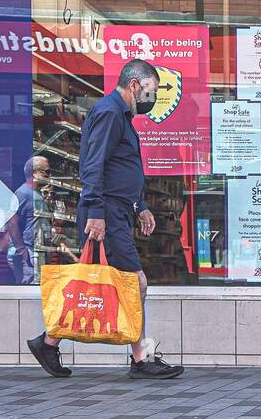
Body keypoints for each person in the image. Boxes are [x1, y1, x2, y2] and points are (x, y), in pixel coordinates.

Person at [26, 59, 183, 379]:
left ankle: (49, 341)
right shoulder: (110, 113)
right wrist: (97, 212)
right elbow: (93, 165)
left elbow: (119, 167)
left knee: (110, 282)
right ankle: (140, 358)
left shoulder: (121, 116)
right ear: (135, 85)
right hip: (106, 213)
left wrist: (140, 206)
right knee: (135, 282)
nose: (152, 98)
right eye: (151, 91)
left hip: (117, 210)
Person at [6, 155, 51, 284]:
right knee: (32, 289)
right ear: (34, 172)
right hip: (30, 252)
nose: (49, 176)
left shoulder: (35, 194)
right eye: (46, 172)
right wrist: (22, 250)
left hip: (36, 251)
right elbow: (11, 221)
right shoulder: (23, 193)